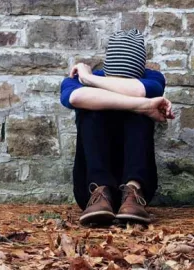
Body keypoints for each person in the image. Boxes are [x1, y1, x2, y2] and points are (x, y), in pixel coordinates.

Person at [60, 29, 174, 225]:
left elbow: (139, 91)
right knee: (93, 110)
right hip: (89, 185)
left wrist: (89, 80)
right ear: (107, 70)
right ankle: (101, 192)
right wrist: (144, 106)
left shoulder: (153, 78)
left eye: (126, 81)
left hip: (137, 183)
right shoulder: (75, 81)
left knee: (140, 112)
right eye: (115, 79)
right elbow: (75, 98)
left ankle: (132, 191)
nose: (120, 84)